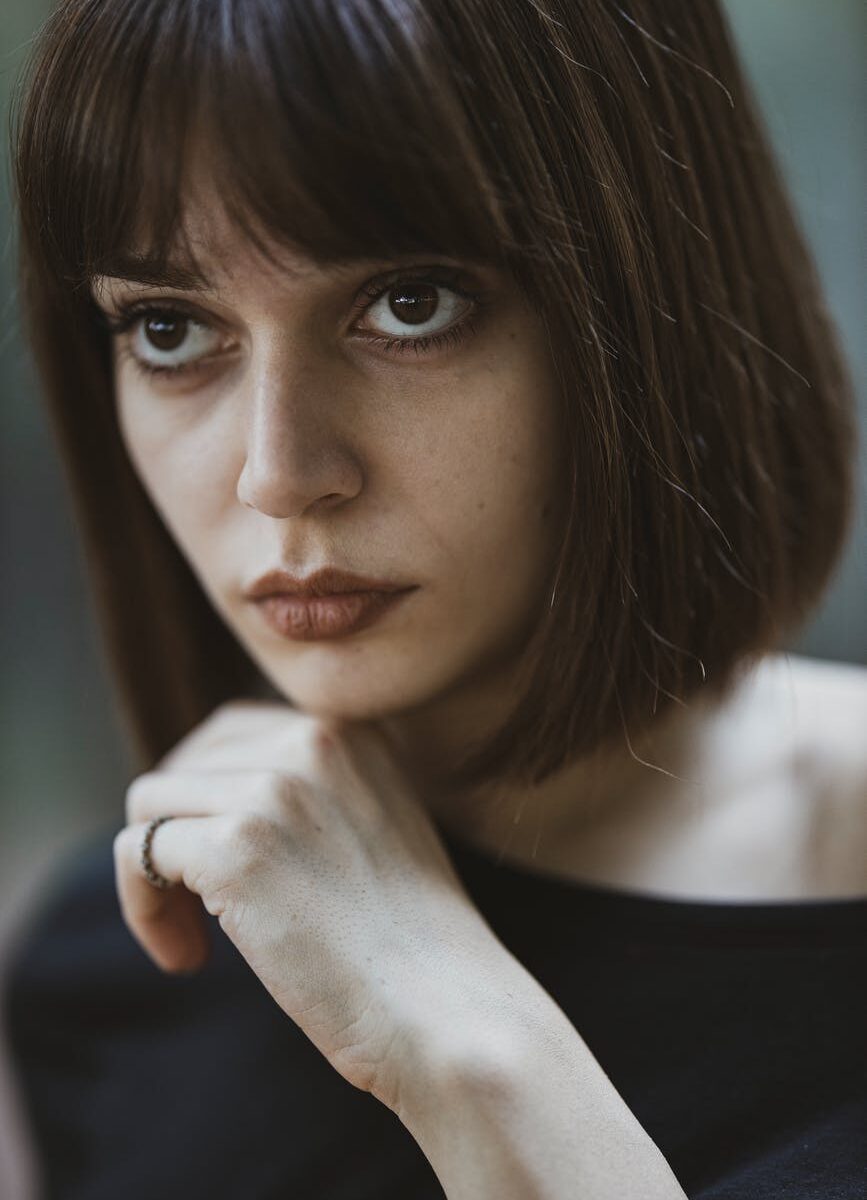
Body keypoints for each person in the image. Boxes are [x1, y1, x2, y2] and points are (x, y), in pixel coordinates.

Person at [2, 0, 865, 1197]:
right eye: (168, 328)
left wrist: (471, 1052)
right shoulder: (117, 968)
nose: (278, 474)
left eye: (411, 306)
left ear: (650, 309)